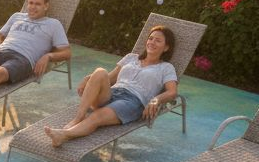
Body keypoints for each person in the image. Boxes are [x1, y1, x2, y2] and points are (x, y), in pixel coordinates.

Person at [45, 25, 179, 146]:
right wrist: (90, 79)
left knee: (96, 117)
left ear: (166, 47)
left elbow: (172, 92)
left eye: (158, 40)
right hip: (112, 93)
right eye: (151, 38)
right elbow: (109, 77)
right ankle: (78, 117)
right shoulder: (131, 57)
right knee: (100, 71)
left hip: (132, 102)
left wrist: (156, 100)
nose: (152, 42)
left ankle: (63, 135)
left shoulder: (166, 68)